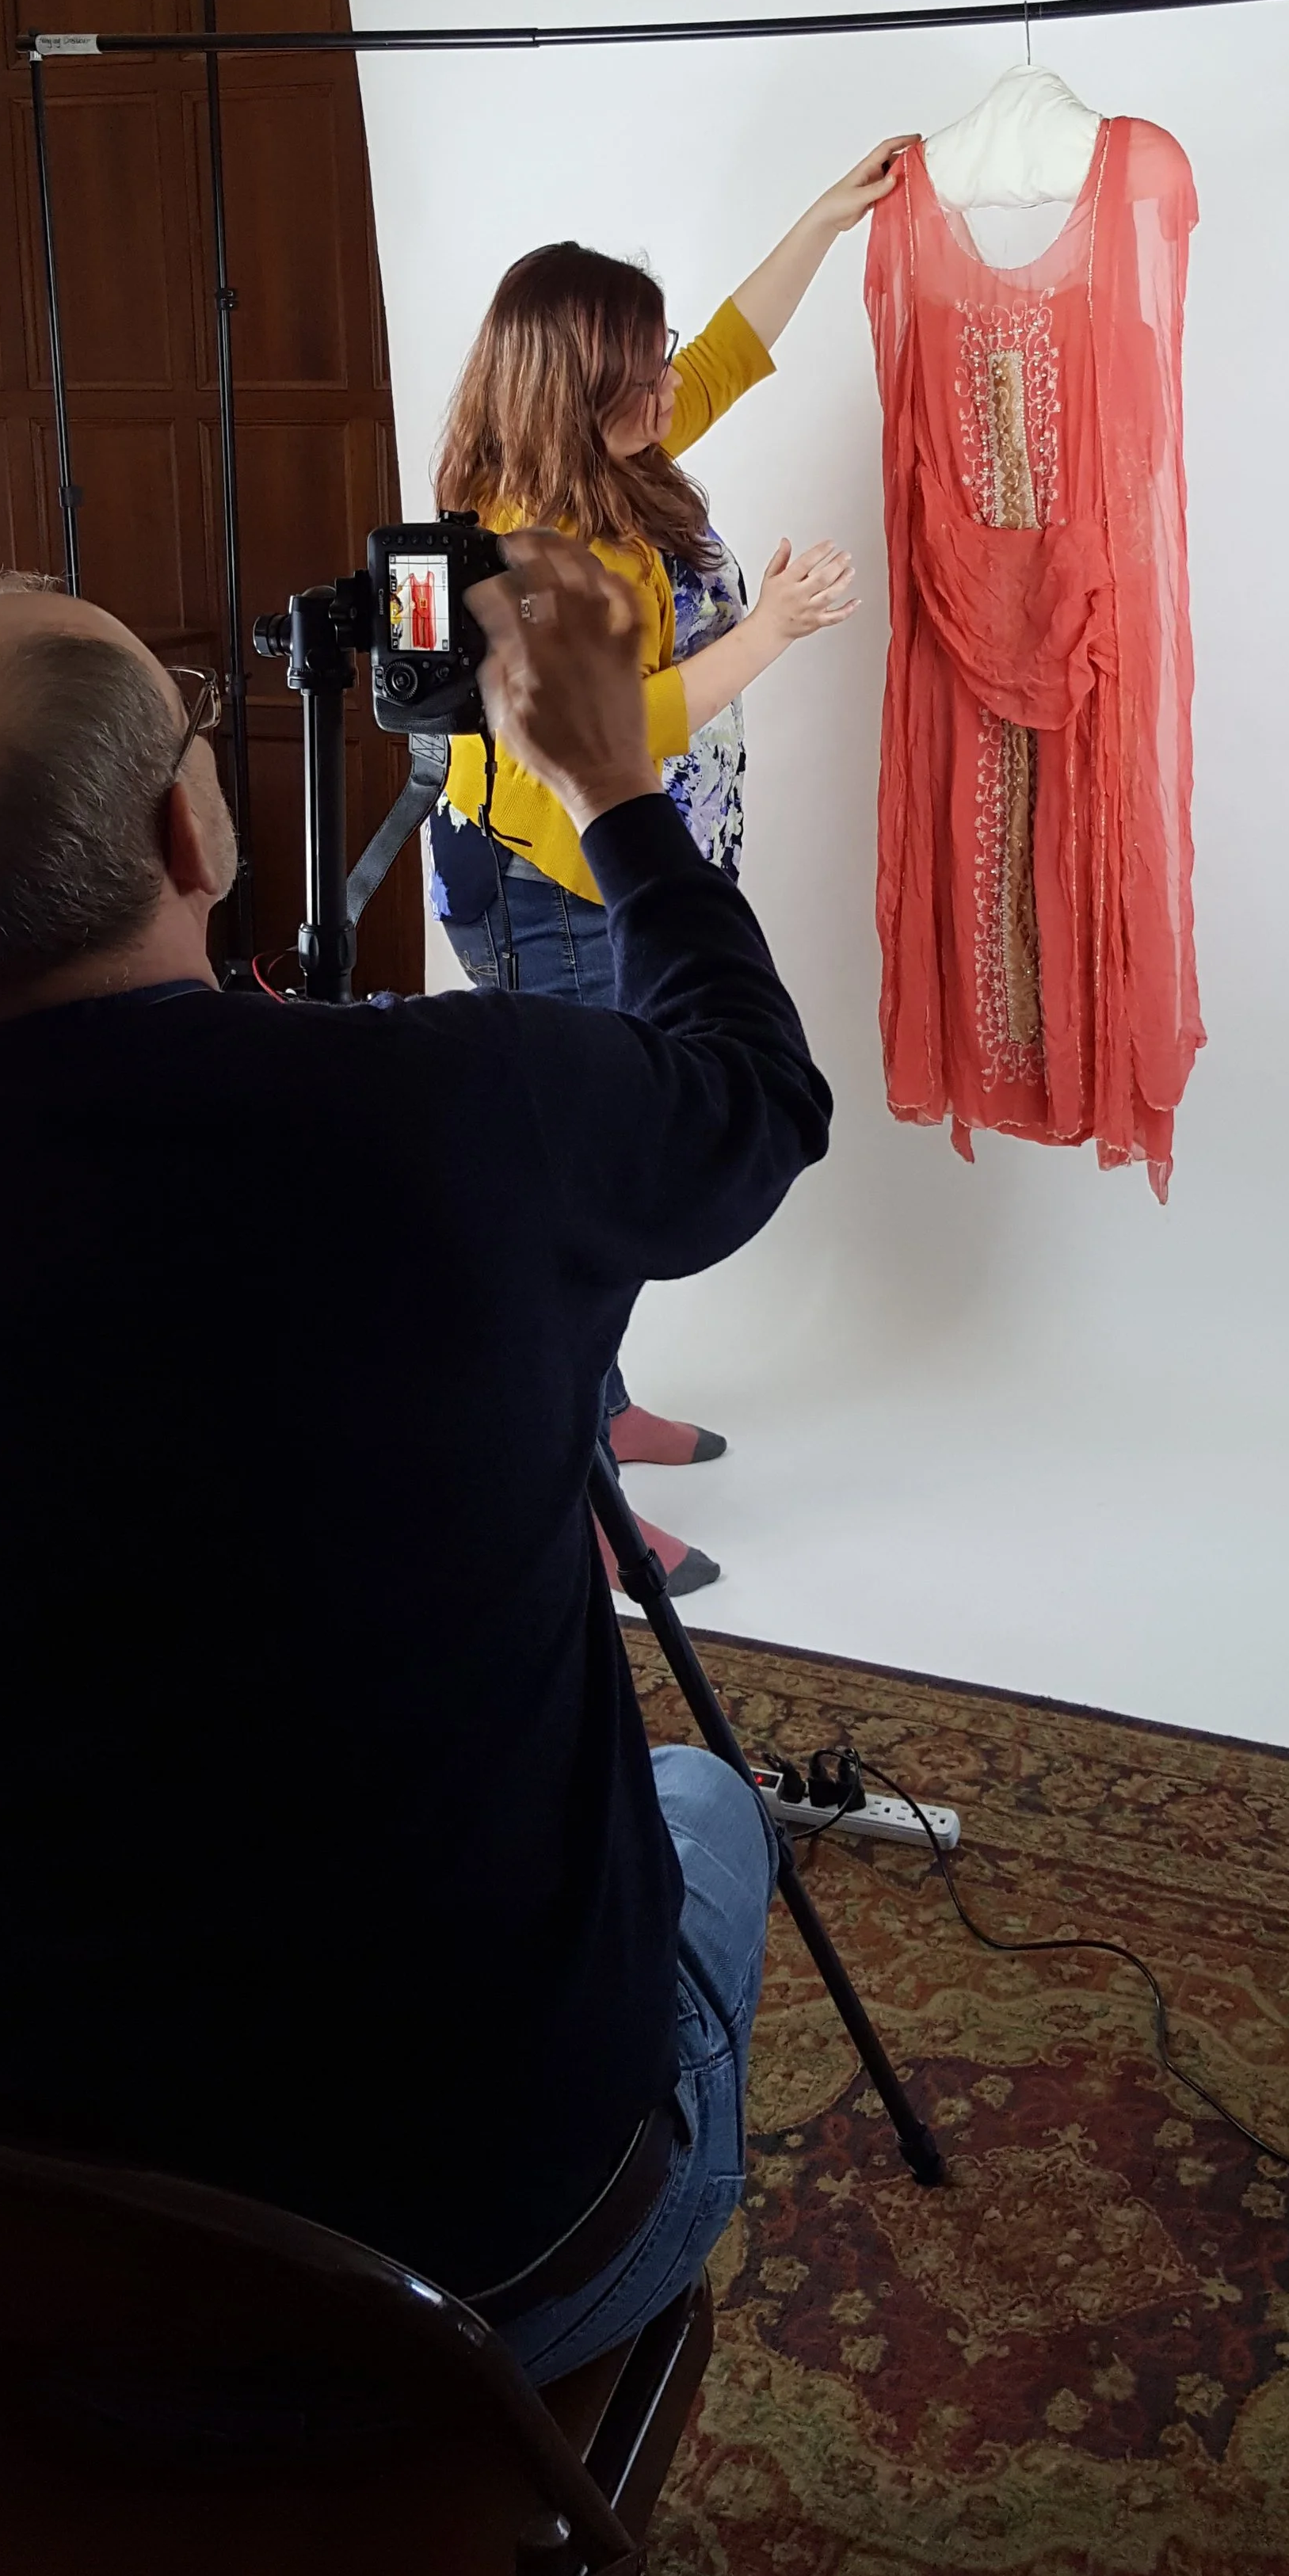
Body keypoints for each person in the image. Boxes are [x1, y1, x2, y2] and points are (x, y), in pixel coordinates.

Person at [0, 543, 831, 2401]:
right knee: (706, 1806)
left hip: (16, 2269)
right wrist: (611, 784)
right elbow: (753, 1088)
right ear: (190, 832)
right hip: (490, 2274)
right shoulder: (473, 1099)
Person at [431, 139, 911, 1595]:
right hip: (548, 891)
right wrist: (770, 632)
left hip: (625, 869)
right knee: (583, 1191)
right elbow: (603, 731)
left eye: (656, 366)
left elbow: (731, 350)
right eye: (639, 375)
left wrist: (822, 218)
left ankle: (608, 1406)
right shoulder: (521, 537)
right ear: (574, 395)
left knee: (605, 1159)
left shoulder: (614, 450)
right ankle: (568, 1486)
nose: (668, 390)